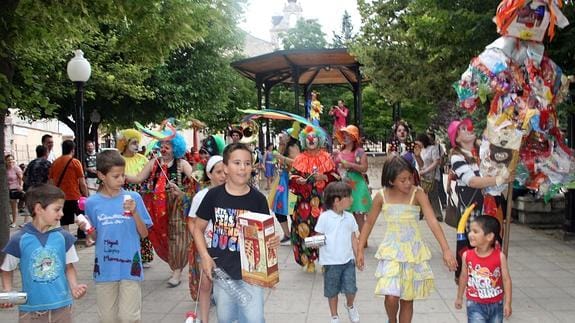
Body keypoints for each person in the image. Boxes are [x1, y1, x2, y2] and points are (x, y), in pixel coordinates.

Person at [356, 156, 457, 323]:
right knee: (391, 297)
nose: (408, 183)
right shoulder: (381, 196)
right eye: (402, 180)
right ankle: (391, 320)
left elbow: (432, 221)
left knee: (407, 299)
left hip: (413, 252)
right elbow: (369, 223)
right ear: (391, 180)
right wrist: (360, 249)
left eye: (410, 177)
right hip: (391, 252)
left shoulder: (418, 193)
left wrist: (446, 250)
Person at [193, 143, 280, 323]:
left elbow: (267, 235)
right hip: (222, 272)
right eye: (237, 163)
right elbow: (197, 229)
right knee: (226, 318)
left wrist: (272, 242)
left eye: (247, 163)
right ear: (225, 168)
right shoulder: (213, 196)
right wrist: (205, 257)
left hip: (252, 273)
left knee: (254, 318)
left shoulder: (258, 200)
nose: (243, 168)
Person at [80, 150, 152, 323]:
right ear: (101, 176)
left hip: (130, 268)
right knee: (107, 318)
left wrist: (134, 212)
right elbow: (95, 238)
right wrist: (87, 230)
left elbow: (144, 233)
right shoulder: (92, 203)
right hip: (105, 268)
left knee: (129, 317)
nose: (121, 180)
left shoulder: (133, 198)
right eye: (116, 176)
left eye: (122, 175)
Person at [1, 184, 87, 320]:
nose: (62, 214)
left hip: (62, 307)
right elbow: (6, 268)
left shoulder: (64, 237)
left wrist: (74, 286)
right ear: (39, 209)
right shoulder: (19, 239)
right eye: (57, 209)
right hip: (31, 311)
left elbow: (69, 267)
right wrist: (7, 290)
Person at [126, 131, 196, 287]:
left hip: (176, 206)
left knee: (178, 238)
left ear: (175, 148)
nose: (164, 149)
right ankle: (174, 264)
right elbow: (138, 178)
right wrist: (118, 174)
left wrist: (182, 191)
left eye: (168, 146)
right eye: (162, 145)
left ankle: (177, 271)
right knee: (163, 237)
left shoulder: (182, 164)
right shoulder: (154, 163)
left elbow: (195, 181)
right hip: (157, 208)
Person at [447, 119, 513, 283]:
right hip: (472, 208)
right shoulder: (456, 157)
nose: (468, 129)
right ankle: (469, 278)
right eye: (462, 129)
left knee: (492, 239)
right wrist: (499, 179)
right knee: (474, 243)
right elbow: (473, 181)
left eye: (467, 126)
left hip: (490, 205)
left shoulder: (483, 152)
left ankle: (491, 276)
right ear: (457, 138)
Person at [289, 126, 339, 272]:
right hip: (304, 202)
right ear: (304, 140)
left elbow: (337, 177)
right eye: (308, 137)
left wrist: (325, 177)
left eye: (314, 137)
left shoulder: (326, 157)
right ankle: (309, 260)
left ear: (319, 139)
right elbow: (292, 176)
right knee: (306, 230)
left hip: (323, 201)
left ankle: (324, 260)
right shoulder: (300, 159)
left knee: (324, 230)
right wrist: (299, 180)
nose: (311, 140)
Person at [187, 155, 226, 323]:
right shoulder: (200, 196)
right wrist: (200, 242)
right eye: (218, 172)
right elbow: (191, 221)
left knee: (227, 286)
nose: (223, 176)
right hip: (206, 246)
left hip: (227, 247)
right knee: (205, 285)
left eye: (225, 171)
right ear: (209, 175)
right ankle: (204, 320)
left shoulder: (233, 193)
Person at [315, 182, 360, 323]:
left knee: (351, 289)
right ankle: (334, 316)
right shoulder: (325, 217)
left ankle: (350, 305)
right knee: (332, 291)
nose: (352, 200)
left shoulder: (349, 217)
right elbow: (318, 236)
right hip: (330, 263)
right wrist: (314, 242)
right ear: (336, 201)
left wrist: (358, 254)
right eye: (349, 197)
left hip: (348, 261)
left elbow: (353, 237)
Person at [455, 215, 512, 322]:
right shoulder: (467, 255)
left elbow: (506, 280)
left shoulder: (500, 257)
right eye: (470, 231)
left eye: (475, 231)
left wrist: (508, 303)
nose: (470, 234)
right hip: (474, 304)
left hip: (496, 304)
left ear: (489, 236)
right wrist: (459, 297)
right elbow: (463, 276)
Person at [117, 129, 155, 268]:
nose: (136, 145)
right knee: (126, 226)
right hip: (123, 198)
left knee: (141, 225)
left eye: (137, 142)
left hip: (141, 198)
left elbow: (148, 177)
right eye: (133, 142)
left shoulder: (143, 159)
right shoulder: (119, 160)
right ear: (125, 144)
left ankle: (144, 256)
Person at [334, 125, 372, 243]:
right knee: (345, 213)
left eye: (348, 134)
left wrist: (350, 165)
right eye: (344, 134)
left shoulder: (359, 152)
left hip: (357, 185)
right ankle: (350, 240)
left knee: (358, 213)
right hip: (343, 185)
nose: (345, 137)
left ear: (354, 137)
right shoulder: (339, 151)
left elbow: (364, 168)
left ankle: (363, 240)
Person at [48, 140, 89, 234]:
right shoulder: (75, 162)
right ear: (73, 150)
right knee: (82, 216)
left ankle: (66, 239)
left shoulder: (55, 163)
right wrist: (86, 195)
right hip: (75, 195)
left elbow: (51, 181)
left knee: (64, 220)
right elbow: (82, 182)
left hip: (61, 196)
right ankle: (84, 235)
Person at [270, 130, 301, 245]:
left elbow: (297, 162)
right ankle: (287, 234)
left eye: (283, 135)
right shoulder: (282, 147)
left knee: (292, 208)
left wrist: (280, 157)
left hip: (291, 181)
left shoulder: (293, 147)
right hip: (282, 181)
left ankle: (297, 234)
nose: (280, 137)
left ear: (289, 137)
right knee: (278, 208)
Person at [22, 145, 52, 227]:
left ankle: (32, 225)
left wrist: (29, 184)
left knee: (33, 209)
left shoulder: (31, 163)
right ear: (46, 153)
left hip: (31, 190)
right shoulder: (47, 163)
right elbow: (50, 179)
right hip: (43, 190)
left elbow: (23, 177)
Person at [415, 133, 442, 221]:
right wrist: (417, 156)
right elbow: (420, 164)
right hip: (422, 175)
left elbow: (436, 162)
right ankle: (421, 212)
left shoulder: (433, 149)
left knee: (433, 194)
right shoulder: (420, 150)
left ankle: (437, 214)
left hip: (432, 175)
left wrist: (426, 171)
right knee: (422, 194)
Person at [5, 154, 24, 228]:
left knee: (14, 206)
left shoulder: (16, 168)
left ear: (13, 160)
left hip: (14, 189)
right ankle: (8, 220)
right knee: (5, 206)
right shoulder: (5, 169)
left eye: (11, 159)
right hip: (6, 190)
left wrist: (21, 186)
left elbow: (21, 178)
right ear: (5, 161)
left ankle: (14, 222)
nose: (10, 161)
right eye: (8, 159)